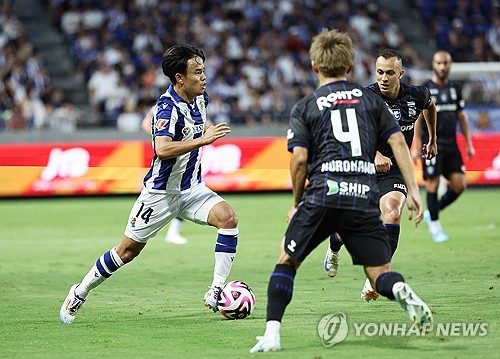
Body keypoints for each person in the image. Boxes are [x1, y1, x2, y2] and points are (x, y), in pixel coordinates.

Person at [250, 29, 432, 353]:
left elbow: (300, 161)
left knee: (286, 260)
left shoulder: (306, 106)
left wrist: (295, 202)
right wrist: (414, 190)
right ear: (351, 66)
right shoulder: (370, 101)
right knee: (379, 273)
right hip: (362, 195)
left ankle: (272, 334)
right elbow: (398, 142)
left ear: (314, 66)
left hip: (323, 193)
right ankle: (401, 290)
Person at [60, 44, 239, 324]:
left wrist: (205, 130)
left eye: (204, 70)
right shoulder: (166, 108)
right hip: (160, 194)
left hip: (192, 188)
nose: (204, 77)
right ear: (180, 78)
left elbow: (196, 125)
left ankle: (216, 290)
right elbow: (162, 149)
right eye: (198, 72)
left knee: (228, 219)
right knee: (127, 252)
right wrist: (204, 139)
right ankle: (80, 292)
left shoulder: (201, 99)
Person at [324, 49, 438, 301]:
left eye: (389, 72)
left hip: (395, 168)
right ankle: (333, 247)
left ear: (400, 73)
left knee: (393, 212)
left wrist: (432, 138)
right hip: (362, 166)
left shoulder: (416, 95)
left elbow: (430, 106)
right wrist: (374, 153)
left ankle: (374, 278)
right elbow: (349, 131)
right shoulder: (365, 97)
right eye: (379, 72)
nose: (383, 77)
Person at [413, 50, 475, 243]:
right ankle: (436, 228)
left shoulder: (455, 89)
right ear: (433, 64)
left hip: (451, 144)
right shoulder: (425, 89)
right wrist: (416, 146)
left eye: (445, 63)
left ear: (450, 65)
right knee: (432, 183)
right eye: (439, 63)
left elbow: (461, 116)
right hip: (431, 143)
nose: (442, 67)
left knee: (459, 184)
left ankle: (434, 211)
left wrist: (469, 144)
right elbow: (417, 118)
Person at [141, 105, 190, 245]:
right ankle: (165, 231)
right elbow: (145, 123)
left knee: (184, 193)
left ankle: (172, 232)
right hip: (171, 157)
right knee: (177, 193)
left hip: (185, 156)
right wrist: (161, 138)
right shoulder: (166, 105)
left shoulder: (193, 105)